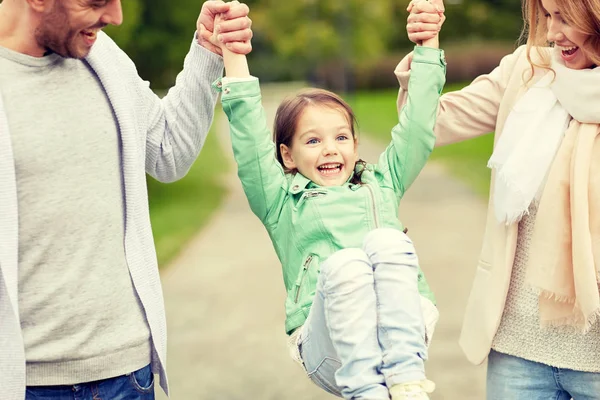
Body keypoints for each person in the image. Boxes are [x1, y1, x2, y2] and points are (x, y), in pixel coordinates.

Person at [0, 0, 252, 399]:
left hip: (126, 376)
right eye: (96, 2)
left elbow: (169, 151)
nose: (115, 16)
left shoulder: (100, 55)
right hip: (24, 384)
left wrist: (207, 49)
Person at [204, 3, 446, 399]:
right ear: (287, 156)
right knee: (348, 263)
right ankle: (367, 392)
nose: (329, 150)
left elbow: (418, 126)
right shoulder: (280, 201)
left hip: (399, 331)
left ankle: (406, 381)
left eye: (340, 137)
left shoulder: (381, 183)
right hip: (329, 347)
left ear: (354, 143)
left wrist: (428, 45)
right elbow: (248, 136)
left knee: (389, 241)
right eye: (312, 141)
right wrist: (233, 54)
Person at [403, 0, 600, 398]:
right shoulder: (528, 71)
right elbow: (428, 125)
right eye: (547, 16)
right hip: (518, 354)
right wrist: (426, 49)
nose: (553, 32)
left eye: (566, 18)